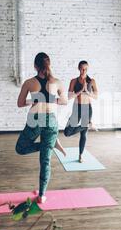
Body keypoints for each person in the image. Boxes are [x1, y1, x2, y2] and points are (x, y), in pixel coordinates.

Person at [15, 52, 67, 204]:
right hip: (51, 121)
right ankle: (42, 195)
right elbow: (64, 101)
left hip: (35, 120)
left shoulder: (29, 82)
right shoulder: (56, 82)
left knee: (21, 148)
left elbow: (20, 103)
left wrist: (34, 99)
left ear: (35, 66)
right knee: (45, 160)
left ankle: (48, 146)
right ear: (48, 64)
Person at [63, 60, 99, 163]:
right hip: (76, 108)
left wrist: (88, 92)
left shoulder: (92, 81)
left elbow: (96, 96)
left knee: (83, 134)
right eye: (82, 69)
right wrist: (79, 92)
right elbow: (69, 97)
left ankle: (80, 155)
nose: (84, 71)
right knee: (67, 132)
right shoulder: (73, 81)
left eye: (86, 69)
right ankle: (88, 125)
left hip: (87, 108)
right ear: (79, 68)